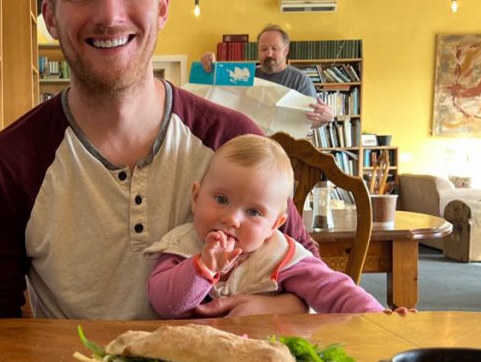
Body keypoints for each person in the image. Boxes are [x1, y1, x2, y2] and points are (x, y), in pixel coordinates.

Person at [0, 0, 318, 320]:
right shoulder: (6, 165)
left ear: (161, 7)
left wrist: (271, 307)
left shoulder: (231, 140)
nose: (110, 16)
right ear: (50, 17)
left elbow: (308, 274)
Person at [146, 134, 387, 318]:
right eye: (221, 199)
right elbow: (164, 304)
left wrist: (378, 319)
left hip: (267, 358)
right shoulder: (180, 245)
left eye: (253, 212)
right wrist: (201, 268)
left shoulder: (280, 255)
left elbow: (335, 290)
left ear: (275, 225)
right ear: (196, 197)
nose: (232, 219)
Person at [201, 25, 334, 128]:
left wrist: (326, 118)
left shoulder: (300, 81)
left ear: (286, 50)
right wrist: (209, 66)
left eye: (275, 48)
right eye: (264, 49)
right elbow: (216, 96)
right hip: (250, 148)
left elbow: (309, 121)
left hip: (285, 149)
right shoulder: (246, 75)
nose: (269, 54)